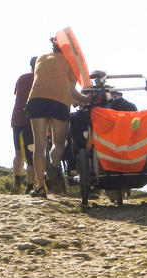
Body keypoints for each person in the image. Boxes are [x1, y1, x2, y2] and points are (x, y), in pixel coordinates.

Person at [24, 37, 91, 198]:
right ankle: (53, 167)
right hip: (59, 103)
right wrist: (86, 99)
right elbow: (70, 90)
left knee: (39, 145)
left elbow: (46, 82)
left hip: (37, 100)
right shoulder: (71, 63)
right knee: (58, 142)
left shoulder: (41, 58)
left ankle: (40, 188)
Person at [11, 57, 36, 194]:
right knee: (31, 153)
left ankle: (17, 180)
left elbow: (17, 95)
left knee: (18, 153)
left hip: (16, 119)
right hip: (31, 120)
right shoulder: (40, 80)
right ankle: (30, 186)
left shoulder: (21, 78)